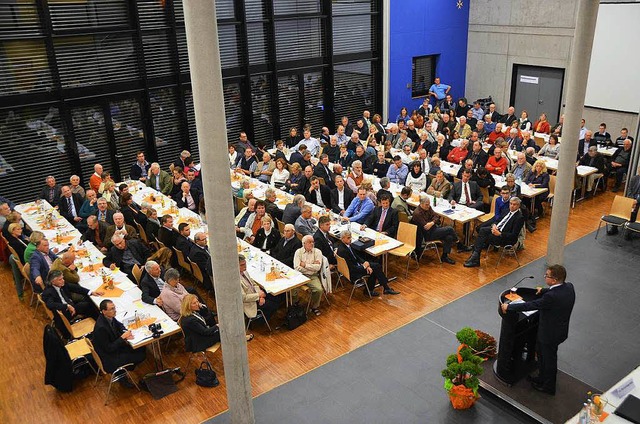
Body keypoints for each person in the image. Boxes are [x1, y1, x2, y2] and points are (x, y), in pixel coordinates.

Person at [501, 264, 575, 395]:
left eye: (547, 276)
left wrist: (509, 307)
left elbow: (532, 305)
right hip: (559, 331)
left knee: (548, 360)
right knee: (542, 356)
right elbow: (557, 291)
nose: (545, 277)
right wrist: (545, 290)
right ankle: (542, 377)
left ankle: (548, 386)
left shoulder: (551, 297)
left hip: (549, 334)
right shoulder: (569, 287)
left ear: (554, 280)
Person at [463, 197, 525, 267]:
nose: (512, 206)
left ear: (518, 206)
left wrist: (500, 234)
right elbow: (497, 221)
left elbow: (514, 236)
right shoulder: (506, 211)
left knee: (483, 236)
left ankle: (475, 257)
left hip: (504, 238)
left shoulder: (519, 218)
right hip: (496, 230)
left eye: (514, 204)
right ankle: (475, 257)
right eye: (510, 204)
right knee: (482, 230)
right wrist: (494, 225)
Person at [336, 231, 400, 297]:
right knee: (375, 268)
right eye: (348, 238)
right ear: (342, 238)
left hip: (357, 266)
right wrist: (364, 267)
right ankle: (382, 288)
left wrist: (365, 263)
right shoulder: (343, 251)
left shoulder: (346, 245)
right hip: (353, 272)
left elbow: (356, 257)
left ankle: (379, 289)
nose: (350, 239)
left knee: (376, 266)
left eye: (350, 237)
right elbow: (352, 268)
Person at [92, 299, 147, 376]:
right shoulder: (101, 328)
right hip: (109, 357)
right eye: (112, 309)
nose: (115, 311)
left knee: (141, 348)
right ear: (104, 311)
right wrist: (122, 338)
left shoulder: (108, 317)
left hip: (113, 348)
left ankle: (128, 367)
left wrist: (125, 332)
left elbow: (119, 325)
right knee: (140, 355)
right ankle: (121, 374)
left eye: (114, 308)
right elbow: (109, 348)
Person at [411, 194, 457, 264]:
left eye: (429, 204)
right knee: (450, 229)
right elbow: (426, 227)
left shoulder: (428, 207)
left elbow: (436, 216)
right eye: (426, 204)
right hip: (426, 235)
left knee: (449, 237)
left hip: (434, 229)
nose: (428, 206)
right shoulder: (417, 213)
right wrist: (433, 222)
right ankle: (458, 242)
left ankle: (444, 256)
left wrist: (432, 222)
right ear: (421, 204)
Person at [293, 235, 325, 315]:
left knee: (319, 289)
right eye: (309, 242)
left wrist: (305, 265)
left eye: (313, 242)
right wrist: (311, 265)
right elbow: (297, 267)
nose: (312, 244)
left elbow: (317, 268)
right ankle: (294, 303)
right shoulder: (298, 252)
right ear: (303, 243)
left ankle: (314, 306)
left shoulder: (317, 252)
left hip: (312, 275)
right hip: (300, 275)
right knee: (291, 287)